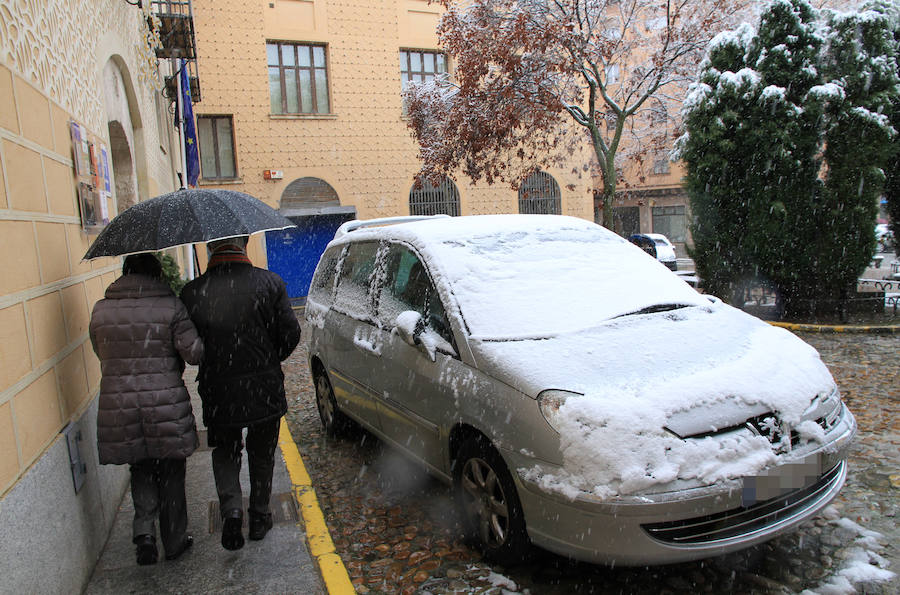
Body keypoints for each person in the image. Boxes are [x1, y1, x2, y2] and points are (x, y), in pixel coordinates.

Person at [180, 236, 301, 550]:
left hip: (219, 390)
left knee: (225, 451)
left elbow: (190, 346)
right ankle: (259, 516)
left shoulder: (193, 292)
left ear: (211, 249)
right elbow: (291, 333)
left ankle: (232, 511)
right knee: (262, 454)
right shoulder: (270, 283)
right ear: (245, 245)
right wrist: (269, 359)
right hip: (264, 388)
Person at [89, 253, 203, 565]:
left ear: (125, 273)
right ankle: (175, 540)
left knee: (139, 466)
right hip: (164, 403)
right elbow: (193, 353)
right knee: (170, 470)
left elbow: (101, 351)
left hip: (120, 405)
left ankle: (144, 532)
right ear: (157, 275)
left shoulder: (101, 310)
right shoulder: (171, 307)